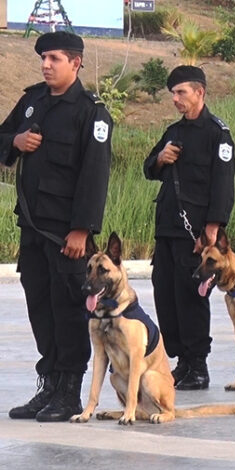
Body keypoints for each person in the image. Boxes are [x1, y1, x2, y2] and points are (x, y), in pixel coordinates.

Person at [0, 32, 112, 421]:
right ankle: (48, 386)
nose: (45, 64)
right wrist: (15, 141)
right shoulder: (32, 101)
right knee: (40, 308)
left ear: (75, 63)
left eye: (53, 58)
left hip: (68, 235)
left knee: (67, 311)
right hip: (33, 230)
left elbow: (95, 176)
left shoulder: (90, 112)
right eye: (43, 58)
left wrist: (82, 229)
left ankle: (69, 391)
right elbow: (1, 136)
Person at [143, 66, 235, 390]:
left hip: (196, 234)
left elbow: (223, 185)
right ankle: (180, 360)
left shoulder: (217, 133)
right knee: (165, 295)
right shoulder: (173, 132)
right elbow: (149, 169)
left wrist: (212, 228)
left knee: (191, 297)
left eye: (181, 92)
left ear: (200, 92)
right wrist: (161, 158)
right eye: (173, 93)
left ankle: (198, 364)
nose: (175, 98)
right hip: (166, 228)